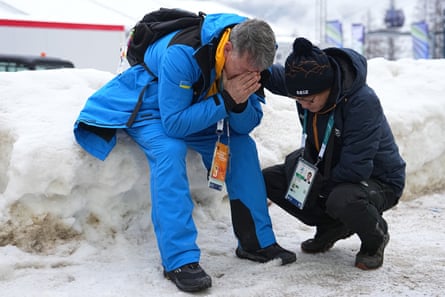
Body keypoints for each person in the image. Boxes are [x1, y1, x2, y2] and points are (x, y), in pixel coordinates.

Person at [73, 11, 296, 293]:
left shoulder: (249, 63)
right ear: (228, 48)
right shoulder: (183, 53)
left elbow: (246, 125)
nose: (248, 78)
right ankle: (179, 260)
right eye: (243, 71)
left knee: (241, 146)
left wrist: (238, 103)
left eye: (255, 74)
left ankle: (256, 242)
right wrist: (227, 98)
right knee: (170, 149)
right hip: (154, 105)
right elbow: (174, 123)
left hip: (204, 103)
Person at [263, 37, 406, 270]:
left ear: (329, 87)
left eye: (309, 99)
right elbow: (273, 75)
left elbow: (356, 166)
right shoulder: (307, 89)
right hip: (330, 170)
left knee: (340, 198)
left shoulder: (362, 102)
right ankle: (331, 227)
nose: (304, 104)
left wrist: (315, 188)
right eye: (298, 99)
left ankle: (375, 238)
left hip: (377, 179)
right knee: (271, 180)